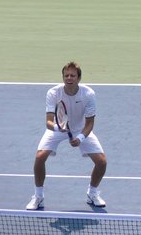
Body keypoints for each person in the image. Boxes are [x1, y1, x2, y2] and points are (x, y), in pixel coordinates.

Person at [26, 62, 108, 210]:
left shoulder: (89, 94)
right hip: (57, 129)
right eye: (66, 75)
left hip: (81, 129)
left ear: (79, 78)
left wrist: (81, 138)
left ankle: (92, 193)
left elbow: (90, 123)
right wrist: (60, 128)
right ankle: (38, 196)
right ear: (63, 77)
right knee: (39, 158)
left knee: (101, 162)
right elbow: (49, 122)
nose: (69, 78)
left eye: (73, 75)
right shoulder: (53, 93)